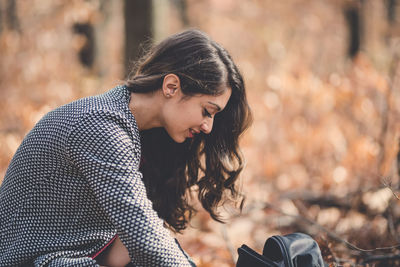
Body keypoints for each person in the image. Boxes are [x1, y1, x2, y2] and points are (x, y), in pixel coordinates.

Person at [0, 29, 252, 267]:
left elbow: (127, 246)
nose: (208, 127)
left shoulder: (137, 132)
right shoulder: (100, 126)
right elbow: (143, 238)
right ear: (171, 87)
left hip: (74, 254)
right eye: (207, 111)